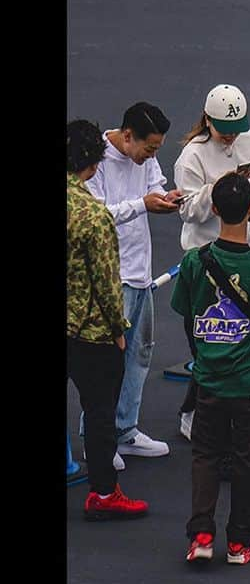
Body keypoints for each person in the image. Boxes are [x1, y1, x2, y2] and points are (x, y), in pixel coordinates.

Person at [171, 173, 250, 566]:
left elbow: (188, 316)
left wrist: (202, 356)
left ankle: (201, 535)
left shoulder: (194, 261)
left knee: (205, 455)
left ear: (215, 209)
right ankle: (240, 543)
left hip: (210, 380)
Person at [172, 84, 250, 441]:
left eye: (236, 129)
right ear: (207, 121)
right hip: (208, 261)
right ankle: (193, 414)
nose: (231, 137)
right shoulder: (192, 158)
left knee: (244, 344)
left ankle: (225, 415)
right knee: (207, 345)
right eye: (224, 130)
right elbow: (187, 211)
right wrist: (221, 189)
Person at [86, 101, 181, 463]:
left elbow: (154, 183)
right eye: (150, 148)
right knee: (108, 362)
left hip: (141, 273)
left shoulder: (145, 156)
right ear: (127, 136)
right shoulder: (94, 159)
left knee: (139, 355)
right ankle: (102, 438)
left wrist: (166, 195)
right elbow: (95, 215)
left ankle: (125, 430)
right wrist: (143, 204)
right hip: (111, 275)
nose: (152, 155)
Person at [67, 120, 148, 522]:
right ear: (94, 164)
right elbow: (106, 280)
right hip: (88, 332)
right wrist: (119, 330)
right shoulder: (92, 216)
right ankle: (102, 493)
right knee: (99, 413)